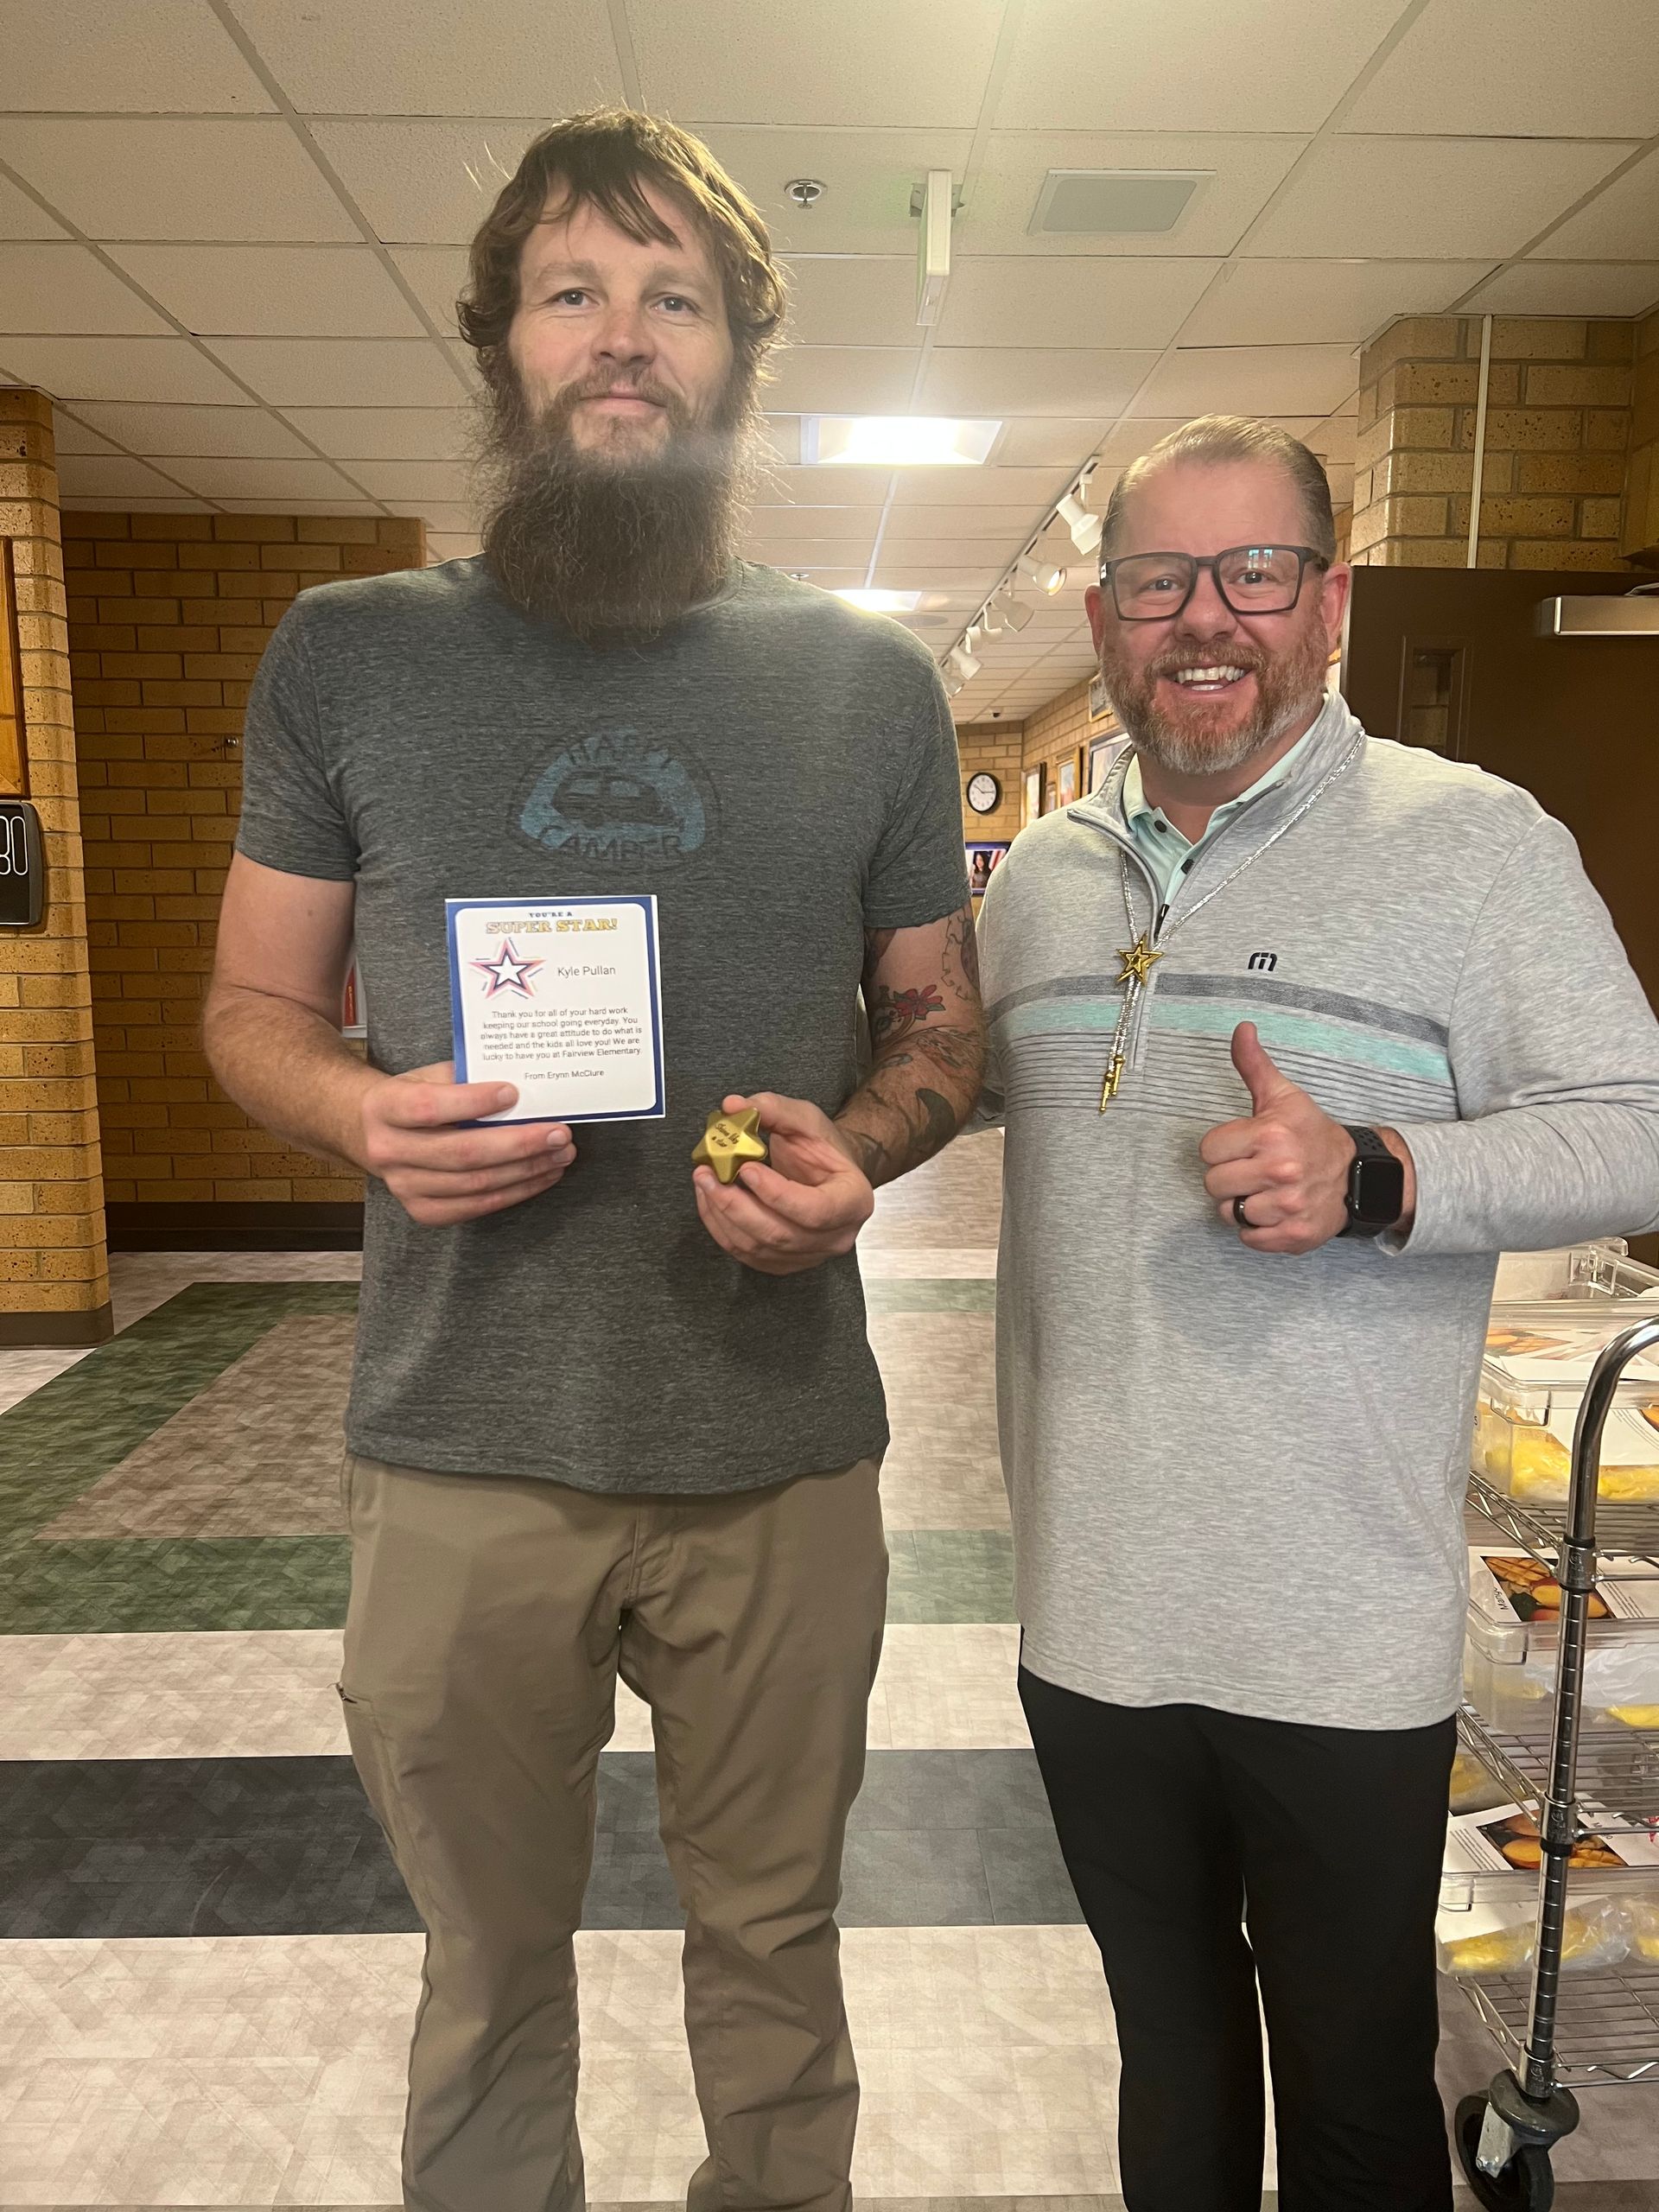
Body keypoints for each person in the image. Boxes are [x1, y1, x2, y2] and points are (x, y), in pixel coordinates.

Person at [203, 109, 983, 2212]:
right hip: (462, 1443)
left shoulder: (869, 680)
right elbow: (248, 1012)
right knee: (484, 1963)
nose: (623, 339)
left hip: (781, 1446)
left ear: (741, 354)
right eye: (574, 292)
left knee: (776, 1948)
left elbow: (938, 1019)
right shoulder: (349, 651)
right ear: (504, 343)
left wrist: (874, 1149)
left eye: (676, 300)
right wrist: (366, 1111)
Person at [972, 414, 1659, 2212]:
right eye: (1156, 579)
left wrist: (1383, 1174)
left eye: (1254, 570)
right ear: (1105, 614)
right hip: (1093, 1612)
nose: (1207, 617)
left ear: (1331, 598)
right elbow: (966, 1096)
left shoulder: (1473, 843)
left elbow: (1639, 1123)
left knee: (1354, 2082)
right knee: (1169, 2056)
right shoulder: (1042, 884)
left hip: (1335, 1624)